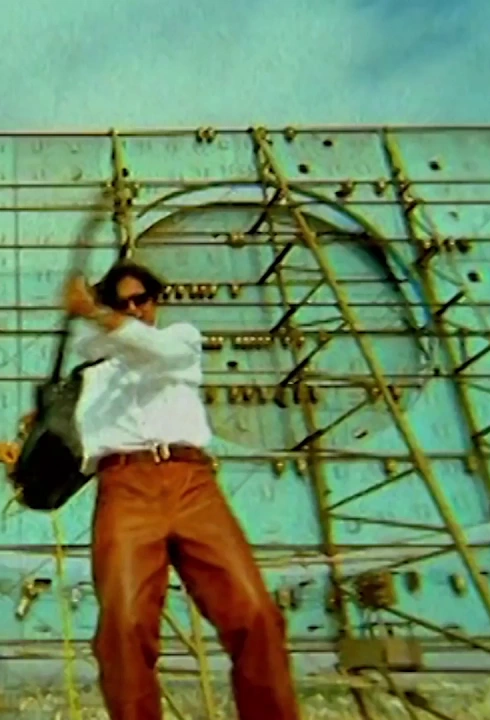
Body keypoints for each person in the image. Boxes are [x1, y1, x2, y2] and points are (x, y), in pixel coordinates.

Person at [63, 261, 301, 720]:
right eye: (123, 303)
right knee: (124, 623)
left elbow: (155, 350)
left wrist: (95, 312)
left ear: (156, 301)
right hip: (125, 487)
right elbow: (91, 350)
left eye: (142, 299)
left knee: (255, 612)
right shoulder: (91, 367)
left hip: (192, 483)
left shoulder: (180, 339)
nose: (135, 309)